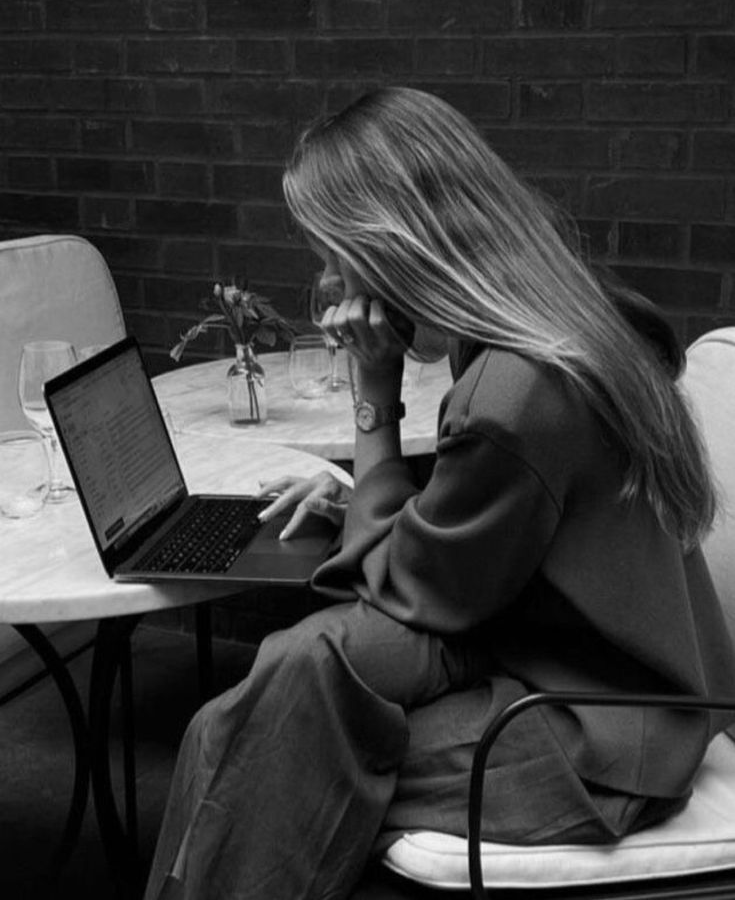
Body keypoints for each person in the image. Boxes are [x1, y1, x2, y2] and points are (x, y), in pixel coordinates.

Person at [145, 87, 735, 900]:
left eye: (331, 253)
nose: (325, 282)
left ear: (390, 242)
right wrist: (360, 496)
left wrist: (373, 395)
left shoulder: (512, 391)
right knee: (239, 716)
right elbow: (501, 525)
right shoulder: (551, 325)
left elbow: (413, 595)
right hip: (576, 670)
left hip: (598, 734)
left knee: (271, 751)